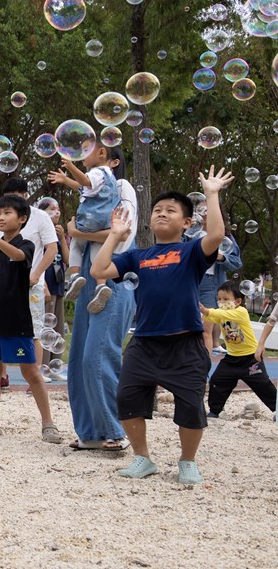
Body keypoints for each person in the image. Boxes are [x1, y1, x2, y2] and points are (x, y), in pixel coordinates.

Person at [91, 166, 234, 485]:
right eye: (157, 210)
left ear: (187, 222)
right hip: (144, 343)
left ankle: (187, 461)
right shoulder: (138, 256)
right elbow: (98, 267)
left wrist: (211, 195)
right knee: (127, 397)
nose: (161, 213)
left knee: (190, 406)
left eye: (171, 210)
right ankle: (142, 458)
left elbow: (216, 235)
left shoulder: (191, 252)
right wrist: (114, 235)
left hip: (185, 343)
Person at [0, 195, 63, 444]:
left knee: (30, 372)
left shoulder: (26, 245)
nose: (0, 218)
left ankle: (48, 423)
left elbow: (16, 256)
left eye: (7, 213)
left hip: (17, 320)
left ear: (22, 219)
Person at [66, 170, 138, 451]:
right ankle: (91, 433)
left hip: (112, 272)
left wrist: (76, 231)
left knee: (97, 357)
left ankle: (115, 430)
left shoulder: (121, 186)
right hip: (86, 273)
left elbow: (122, 232)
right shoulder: (89, 195)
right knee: (78, 358)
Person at [0, 178, 58, 389]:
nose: (14, 200)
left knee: (33, 330)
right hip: (2, 284)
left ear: (27, 196)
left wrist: (36, 275)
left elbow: (51, 249)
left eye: (19, 194)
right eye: (10, 196)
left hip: (29, 284)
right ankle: (1, 375)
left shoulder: (41, 217)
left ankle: (34, 376)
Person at [48, 142, 125, 313]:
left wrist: (71, 167)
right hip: (104, 222)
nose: (82, 156)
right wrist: (66, 180)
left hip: (89, 220)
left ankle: (75, 276)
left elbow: (86, 181)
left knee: (76, 243)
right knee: (97, 250)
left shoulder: (97, 172)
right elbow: (84, 187)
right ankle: (101, 286)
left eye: (86, 152)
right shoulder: (109, 176)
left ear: (102, 153)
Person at [200, 281, 276, 418]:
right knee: (217, 380)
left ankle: (276, 408)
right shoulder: (221, 314)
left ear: (238, 301)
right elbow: (211, 318)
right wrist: (203, 314)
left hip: (251, 359)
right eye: (219, 299)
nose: (221, 302)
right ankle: (215, 411)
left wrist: (206, 310)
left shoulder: (241, 312)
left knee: (263, 385)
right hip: (231, 359)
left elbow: (216, 314)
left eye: (226, 299)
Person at [192, 212, 242, 354]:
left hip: (211, 282)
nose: (203, 216)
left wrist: (220, 257)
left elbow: (237, 262)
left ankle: (204, 369)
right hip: (192, 281)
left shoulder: (224, 237)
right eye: (200, 212)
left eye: (207, 212)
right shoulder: (191, 234)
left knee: (206, 329)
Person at [36, 198, 68, 367]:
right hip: (45, 285)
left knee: (57, 328)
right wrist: (43, 286)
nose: (57, 212)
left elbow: (68, 259)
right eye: (52, 209)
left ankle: (55, 365)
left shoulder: (59, 234)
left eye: (58, 208)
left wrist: (62, 239)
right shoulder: (39, 233)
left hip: (58, 285)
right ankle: (44, 365)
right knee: (45, 328)